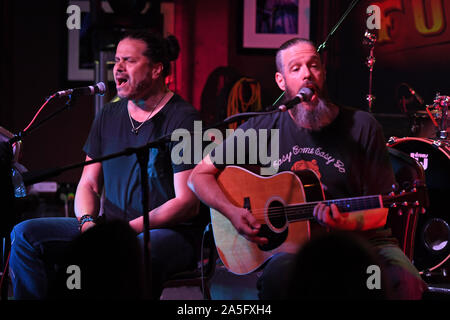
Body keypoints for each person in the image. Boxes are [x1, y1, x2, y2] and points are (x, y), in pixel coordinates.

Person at [188, 38, 427, 299]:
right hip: (293, 248)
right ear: (281, 81)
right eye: (296, 68)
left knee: (404, 284)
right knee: (281, 276)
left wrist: (344, 223)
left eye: (313, 65)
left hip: (363, 240)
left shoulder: (362, 126)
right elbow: (198, 176)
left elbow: (380, 212)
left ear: (323, 73)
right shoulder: (264, 127)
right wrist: (233, 212)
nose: (306, 74)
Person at [9, 30, 208, 299]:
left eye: (129, 61)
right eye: (116, 61)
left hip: (167, 232)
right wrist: (88, 224)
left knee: (134, 252)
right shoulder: (109, 114)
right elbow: (89, 183)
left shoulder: (184, 118)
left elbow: (187, 203)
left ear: (157, 69)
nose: (118, 68)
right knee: (25, 235)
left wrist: (124, 231)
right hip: (110, 228)